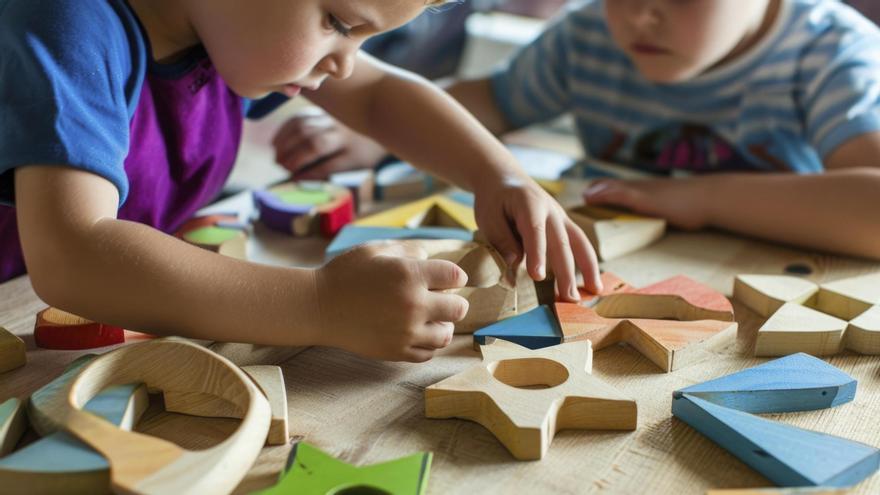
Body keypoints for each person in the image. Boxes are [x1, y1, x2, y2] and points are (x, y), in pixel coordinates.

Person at [0, 0, 602, 363]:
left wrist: (500, 174)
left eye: (366, 36)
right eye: (339, 21)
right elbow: (72, 253)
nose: (344, 61)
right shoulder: (67, 24)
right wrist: (320, 304)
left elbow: (377, 95)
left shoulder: (221, 24)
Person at [286, 0, 880, 260]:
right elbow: (494, 100)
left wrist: (696, 198)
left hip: (749, 268)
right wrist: (373, 136)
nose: (639, 15)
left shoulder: (831, 52)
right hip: (600, 258)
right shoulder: (590, 32)